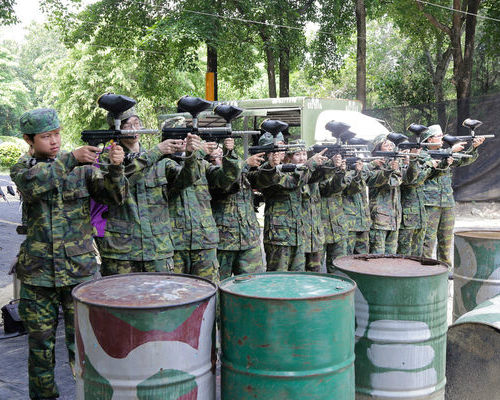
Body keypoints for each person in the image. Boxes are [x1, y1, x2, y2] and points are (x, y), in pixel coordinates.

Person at [10, 108, 128, 400]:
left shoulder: (82, 168)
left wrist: (115, 168)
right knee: (40, 346)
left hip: (79, 271)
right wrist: (72, 158)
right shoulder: (23, 168)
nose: (54, 141)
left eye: (57, 134)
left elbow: (115, 197)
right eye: (45, 136)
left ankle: (89, 394)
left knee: (85, 344)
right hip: (38, 275)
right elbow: (36, 184)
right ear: (28, 139)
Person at [98, 108, 202, 276]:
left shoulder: (160, 159)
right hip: (122, 252)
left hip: (158, 249)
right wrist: (156, 152)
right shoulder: (108, 159)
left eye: (136, 123)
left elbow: (186, 180)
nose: (134, 129)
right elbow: (115, 190)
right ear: (116, 129)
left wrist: (191, 155)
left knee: (160, 300)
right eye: (127, 125)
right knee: (122, 301)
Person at [248, 134, 328, 272]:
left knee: (298, 281)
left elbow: (315, 176)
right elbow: (292, 181)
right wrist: (311, 163)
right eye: (276, 149)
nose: (280, 152)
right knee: (278, 281)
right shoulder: (265, 172)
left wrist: (332, 164)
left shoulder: (293, 170)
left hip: (297, 235)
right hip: (279, 237)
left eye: (282, 148)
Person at [168, 137, 241, 281]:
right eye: (180, 139)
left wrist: (229, 154)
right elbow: (183, 177)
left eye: (188, 139)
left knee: (209, 291)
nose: (186, 142)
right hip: (175, 243)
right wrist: (198, 153)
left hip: (204, 241)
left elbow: (226, 179)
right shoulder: (164, 165)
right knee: (176, 293)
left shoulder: (203, 165)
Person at [421, 124, 484, 266]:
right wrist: (450, 151)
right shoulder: (421, 154)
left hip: (447, 202)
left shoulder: (444, 151)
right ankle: (425, 268)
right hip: (429, 203)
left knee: (446, 238)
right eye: (438, 136)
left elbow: (464, 159)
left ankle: (445, 268)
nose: (442, 138)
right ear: (429, 140)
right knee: (427, 240)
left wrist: (473, 148)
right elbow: (427, 171)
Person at [209, 148, 266, 280]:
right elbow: (225, 181)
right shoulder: (210, 175)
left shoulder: (244, 175)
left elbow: (264, 177)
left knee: (253, 285)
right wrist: (245, 163)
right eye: (213, 159)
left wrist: (271, 164)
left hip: (249, 240)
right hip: (223, 243)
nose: (219, 161)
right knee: (219, 286)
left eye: (222, 157)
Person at [368, 135, 403, 254]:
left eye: (391, 145)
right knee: (378, 257)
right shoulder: (373, 165)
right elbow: (389, 182)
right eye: (386, 144)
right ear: (378, 148)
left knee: (391, 257)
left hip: (394, 219)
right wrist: (390, 169)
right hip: (380, 220)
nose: (389, 147)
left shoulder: (396, 163)